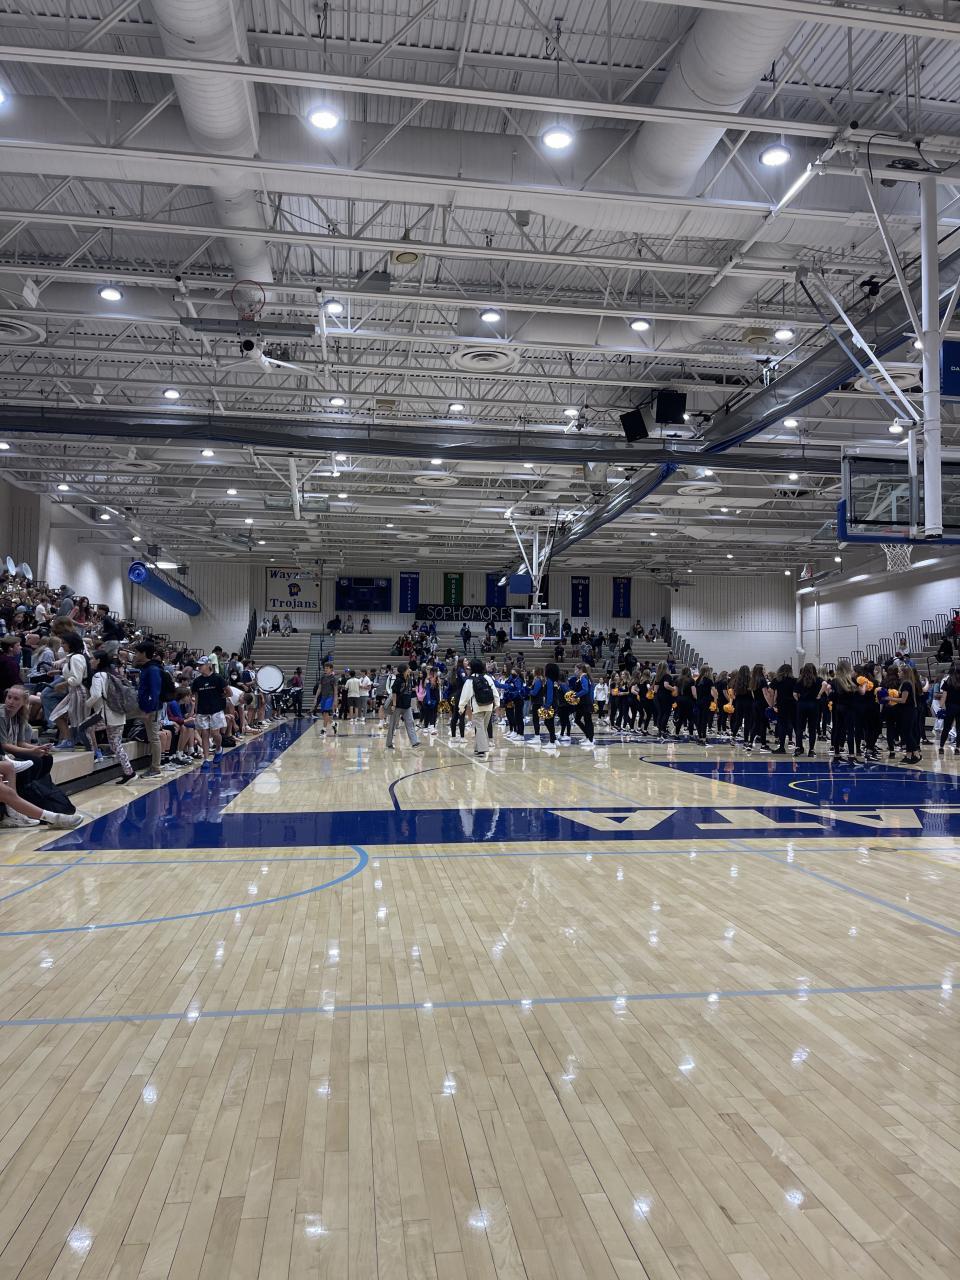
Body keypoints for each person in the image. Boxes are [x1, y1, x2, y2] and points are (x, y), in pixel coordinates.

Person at [84, 650, 137, 783]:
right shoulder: (113, 674)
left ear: (98, 661)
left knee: (84, 728)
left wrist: (86, 704)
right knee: (116, 745)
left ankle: (95, 755)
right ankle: (129, 772)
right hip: (119, 714)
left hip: (105, 715)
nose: (90, 661)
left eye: (92, 658)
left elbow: (96, 695)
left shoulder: (98, 676)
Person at [133, 640, 165, 778]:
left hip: (152, 709)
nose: (135, 655)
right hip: (147, 708)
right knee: (153, 737)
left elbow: (155, 692)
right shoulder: (146, 668)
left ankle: (156, 767)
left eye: (137, 652)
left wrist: (149, 710)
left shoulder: (152, 669)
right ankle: (154, 765)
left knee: (154, 738)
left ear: (144, 653)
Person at [191, 656, 227, 767]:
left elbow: (228, 692)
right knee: (205, 734)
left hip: (216, 709)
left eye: (201, 665)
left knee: (215, 733)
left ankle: (218, 748)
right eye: (198, 665)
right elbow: (196, 696)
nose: (199, 667)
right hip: (202, 710)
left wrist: (221, 698)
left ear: (208, 665)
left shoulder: (217, 678)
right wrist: (195, 710)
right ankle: (206, 759)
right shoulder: (197, 681)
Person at [458, 658, 499, 757]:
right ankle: (477, 748)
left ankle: (482, 750)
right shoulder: (487, 677)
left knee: (480, 728)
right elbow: (494, 691)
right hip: (489, 706)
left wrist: (461, 707)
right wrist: (497, 703)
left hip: (477, 707)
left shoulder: (470, 680)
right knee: (483, 728)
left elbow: (465, 695)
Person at [386, 661, 420, 749]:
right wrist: (394, 705)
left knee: (410, 723)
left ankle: (414, 742)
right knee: (393, 725)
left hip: (407, 706)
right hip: (397, 706)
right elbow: (394, 693)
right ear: (404, 670)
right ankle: (389, 743)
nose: (409, 670)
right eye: (408, 668)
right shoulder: (398, 680)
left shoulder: (409, 679)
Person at [935, 663, 960, 755]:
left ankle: (941, 747)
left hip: (950, 707)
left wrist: (940, 707)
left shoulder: (948, 681)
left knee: (946, 728)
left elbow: (944, 696)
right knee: (959, 729)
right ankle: (957, 748)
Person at [313, 661, 338, 735]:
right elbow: (319, 688)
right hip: (323, 697)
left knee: (326, 712)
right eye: (325, 668)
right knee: (324, 714)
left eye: (327, 668)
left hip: (330, 697)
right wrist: (316, 697)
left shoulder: (333, 678)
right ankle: (333, 723)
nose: (325, 669)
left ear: (331, 669)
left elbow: (335, 690)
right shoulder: (322, 677)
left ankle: (324, 729)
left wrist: (335, 699)